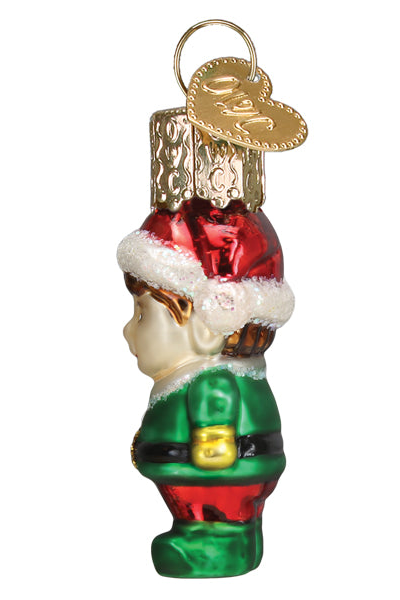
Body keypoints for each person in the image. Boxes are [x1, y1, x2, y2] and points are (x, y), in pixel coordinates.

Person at [117, 196, 294, 577]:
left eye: (143, 313)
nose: (128, 330)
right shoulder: (191, 381)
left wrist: (201, 447)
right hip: (200, 498)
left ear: (205, 330)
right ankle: (227, 536)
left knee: (218, 520)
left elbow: (216, 453)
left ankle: (216, 542)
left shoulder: (213, 387)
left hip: (215, 496)